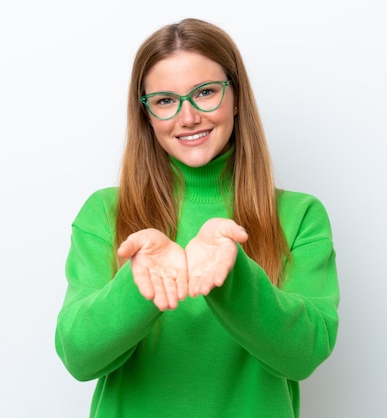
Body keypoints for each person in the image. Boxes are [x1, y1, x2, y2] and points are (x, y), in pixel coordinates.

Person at [55, 17, 339, 418]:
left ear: (236, 97)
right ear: (147, 114)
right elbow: (79, 357)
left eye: (205, 92)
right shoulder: (105, 213)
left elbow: (305, 355)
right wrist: (140, 284)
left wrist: (231, 274)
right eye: (165, 100)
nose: (188, 117)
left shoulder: (299, 215)